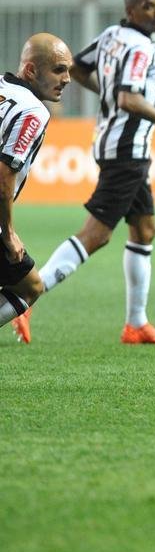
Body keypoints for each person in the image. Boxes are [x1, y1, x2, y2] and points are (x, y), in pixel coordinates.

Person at [32, 0, 155, 345]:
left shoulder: (112, 35)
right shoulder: (142, 49)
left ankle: (136, 324)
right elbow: (128, 99)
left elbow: (77, 68)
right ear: (131, 11)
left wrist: (108, 90)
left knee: (145, 229)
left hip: (119, 146)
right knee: (96, 235)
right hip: (127, 150)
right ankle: (29, 295)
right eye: (148, 6)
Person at [0, 35, 74, 343]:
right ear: (31, 70)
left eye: (68, 70)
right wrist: (8, 232)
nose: (67, 79)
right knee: (30, 287)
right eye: (58, 70)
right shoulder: (32, 111)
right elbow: (4, 176)